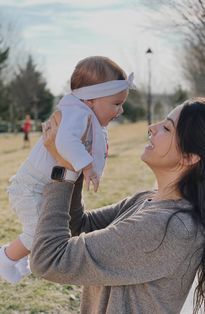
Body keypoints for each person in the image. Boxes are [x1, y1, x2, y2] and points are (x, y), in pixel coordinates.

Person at [30, 97, 205, 314]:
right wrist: (75, 162)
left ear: (190, 157)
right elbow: (82, 226)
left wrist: (64, 172)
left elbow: (49, 259)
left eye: (166, 128)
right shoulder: (148, 200)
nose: (152, 128)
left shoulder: (167, 227)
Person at [0, 56, 134, 284]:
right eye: (116, 103)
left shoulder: (85, 114)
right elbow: (65, 142)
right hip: (30, 186)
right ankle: (5, 258)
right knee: (38, 234)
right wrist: (87, 166)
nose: (120, 110)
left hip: (42, 185)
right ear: (91, 99)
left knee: (46, 229)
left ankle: (16, 257)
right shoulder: (76, 113)